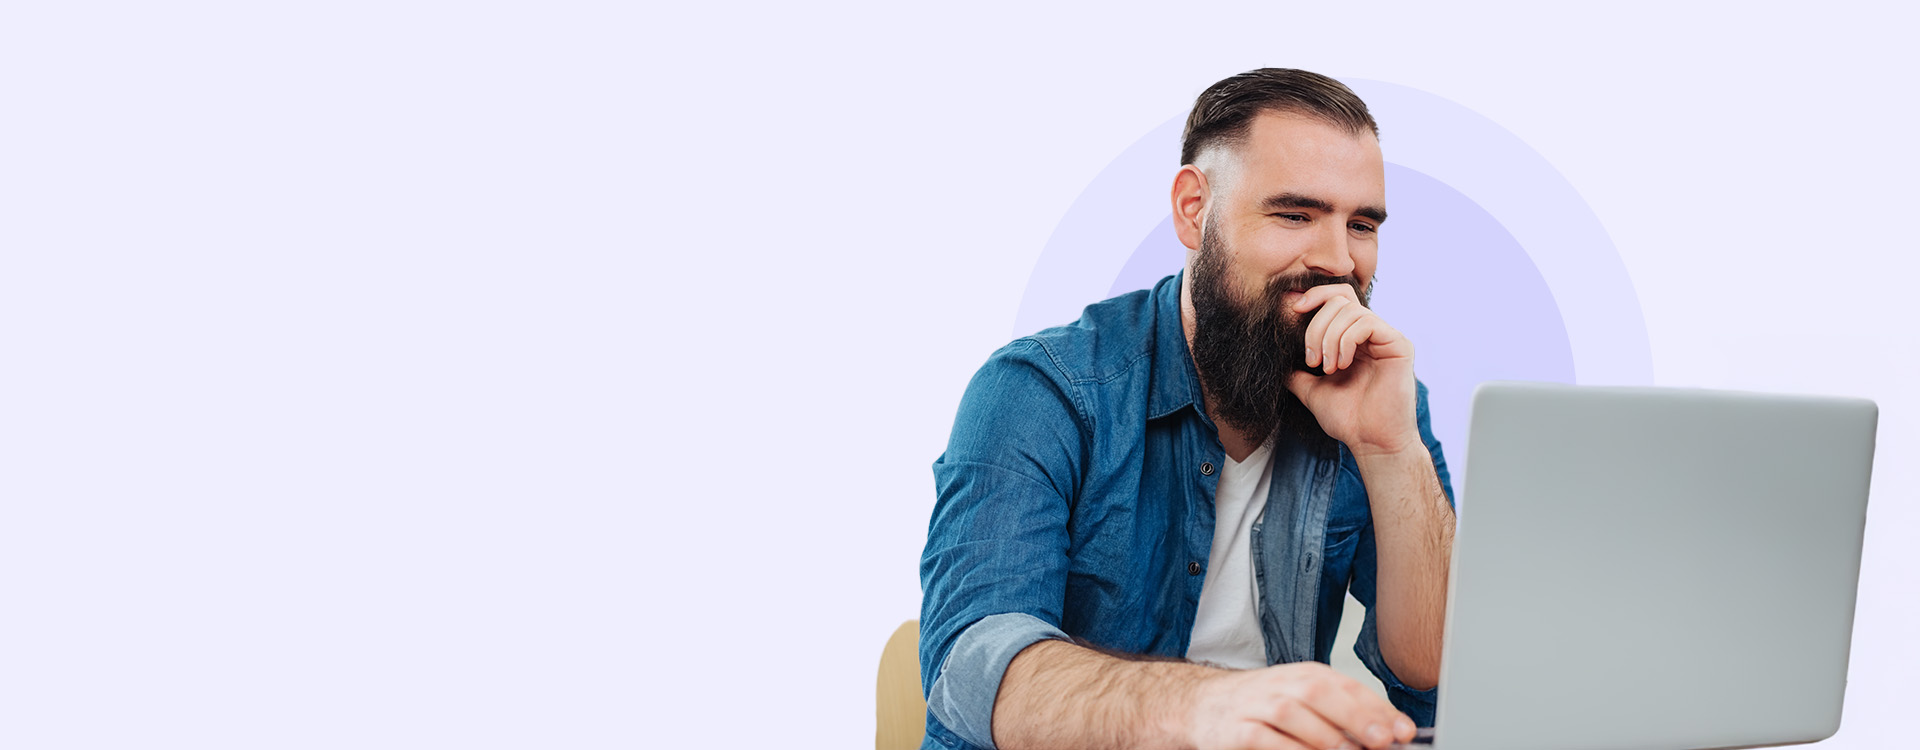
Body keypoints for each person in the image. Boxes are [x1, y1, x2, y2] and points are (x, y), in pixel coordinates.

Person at [919, 69, 1459, 750]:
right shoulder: (1042, 390)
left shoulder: (1379, 395)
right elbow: (972, 668)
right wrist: (1205, 708)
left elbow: (1438, 677)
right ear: (1193, 209)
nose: (1337, 261)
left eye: (1361, 225)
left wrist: (1391, 451)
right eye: (1294, 214)